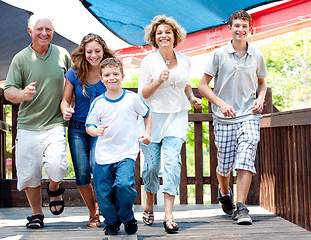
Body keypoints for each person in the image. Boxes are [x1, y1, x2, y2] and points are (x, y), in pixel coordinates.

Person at [198, 10, 267, 225]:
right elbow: (202, 86)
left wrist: (260, 98)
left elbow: (262, 83)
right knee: (225, 165)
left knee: (247, 154)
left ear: (250, 29)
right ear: (230, 28)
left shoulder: (256, 55)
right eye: (237, 25)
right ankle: (224, 191)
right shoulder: (218, 55)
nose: (240, 29)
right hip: (224, 117)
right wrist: (221, 103)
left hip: (248, 114)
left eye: (244, 26)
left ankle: (241, 208)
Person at [4, 14, 71, 229]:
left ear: (53, 31)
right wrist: (22, 94)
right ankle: (36, 214)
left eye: (48, 29)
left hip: (55, 123)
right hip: (28, 125)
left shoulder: (62, 54)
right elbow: (8, 91)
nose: (44, 33)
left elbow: (73, 83)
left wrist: (71, 104)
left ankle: (54, 187)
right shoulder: (21, 58)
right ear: (30, 32)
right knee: (29, 173)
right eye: (39, 29)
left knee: (58, 166)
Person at [138, 15, 202, 233]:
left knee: (172, 163)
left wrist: (191, 97)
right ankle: (148, 203)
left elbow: (184, 83)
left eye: (167, 32)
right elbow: (142, 94)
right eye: (159, 33)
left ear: (175, 36)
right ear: (154, 39)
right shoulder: (149, 61)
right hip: (152, 117)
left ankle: (168, 215)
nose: (163, 35)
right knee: (151, 166)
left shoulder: (185, 60)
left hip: (177, 116)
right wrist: (158, 81)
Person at [86, 58, 152, 236]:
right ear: (101, 78)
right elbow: (89, 126)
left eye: (115, 74)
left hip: (126, 153)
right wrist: (95, 130)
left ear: (122, 76)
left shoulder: (132, 98)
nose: (111, 78)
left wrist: (147, 133)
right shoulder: (99, 103)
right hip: (104, 155)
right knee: (104, 192)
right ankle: (112, 222)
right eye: (107, 75)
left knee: (124, 185)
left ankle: (127, 216)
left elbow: (147, 113)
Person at [60, 33, 116, 227]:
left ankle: (102, 207)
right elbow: (65, 100)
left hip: (100, 129)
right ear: (83, 52)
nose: (93, 55)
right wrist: (65, 110)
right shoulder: (74, 73)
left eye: (97, 51)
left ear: (103, 52)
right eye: (89, 51)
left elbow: (117, 99)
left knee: (97, 167)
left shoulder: (109, 71)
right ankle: (93, 213)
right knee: (82, 173)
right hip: (77, 128)